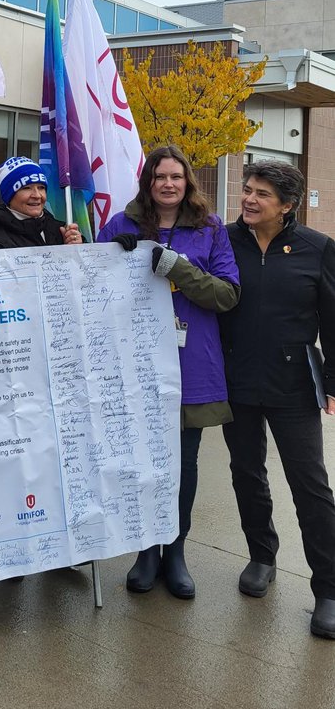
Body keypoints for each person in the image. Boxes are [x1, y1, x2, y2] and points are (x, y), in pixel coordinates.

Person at [97, 145, 239, 600]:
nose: (168, 184)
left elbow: (227, 295)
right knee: (140, 458)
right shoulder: (120, 225)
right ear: (148, 181)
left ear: (188, 181)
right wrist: (106, 257)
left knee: (183, 461)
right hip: (134, 361)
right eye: (160, 176)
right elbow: (92, 288)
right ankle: (146, 551)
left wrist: (179, 268)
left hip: (190, 362)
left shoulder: (210, 229)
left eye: (176, 176)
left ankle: (175, 549)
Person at [220, 161, 335, 640]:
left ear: (287, 206)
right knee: (247, 473)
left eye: (261, 194)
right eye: (247, 190)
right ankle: (261, 555)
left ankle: (328, 588)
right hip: (238, 378)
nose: (249, 199)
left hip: (293, 384)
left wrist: (333, 381)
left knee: (310, 486)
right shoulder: (223, 239)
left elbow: (333, 319)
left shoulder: (318, 249)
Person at [0, 157, 83, 249]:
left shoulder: (62, 231)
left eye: (41, 188)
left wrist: (78, 249)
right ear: (9, 196)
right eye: (26, 188)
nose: (37, 195)